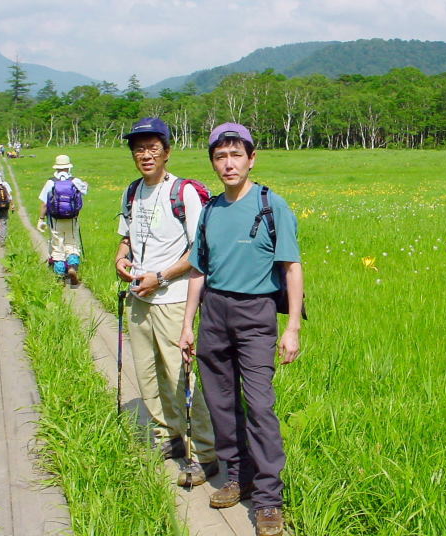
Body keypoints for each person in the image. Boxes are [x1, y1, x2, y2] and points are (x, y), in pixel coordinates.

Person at [179, 123, 304, 536]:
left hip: (256, 314)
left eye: (236, 155)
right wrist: (187, 325)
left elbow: (291, 267)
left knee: (261, 406)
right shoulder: (211, 210)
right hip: (214, 312)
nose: (228, 164)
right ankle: (237, 476)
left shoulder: (272, 206)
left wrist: (292, 330)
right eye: (220, 156)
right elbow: (199, 269)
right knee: (221, 402)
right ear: (213, 162)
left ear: (252, 158)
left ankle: (269, 500)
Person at [114, 117, 217, 484]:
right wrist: (120, 258)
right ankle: (167, 435)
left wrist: (161, 276)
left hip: (172, 298)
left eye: (152, 148)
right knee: (147, 374)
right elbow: (126, 236)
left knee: (180, 376)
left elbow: (199, 252)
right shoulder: (131, 191)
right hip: (138, 297)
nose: (145, 155)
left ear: (167, 152)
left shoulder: (183, 193)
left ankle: (204, 452)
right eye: (138, 149)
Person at [37, 155, 88, 285]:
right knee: (72, 244)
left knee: (57, 246)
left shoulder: (51, 182)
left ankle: (59, 277)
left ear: (57, 167)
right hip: (71, 219)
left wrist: (41, 219)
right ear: (69, 167)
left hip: (55, 220)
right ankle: (72, 267)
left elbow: (44, 203)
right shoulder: (75, 181)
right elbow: (83, 194)